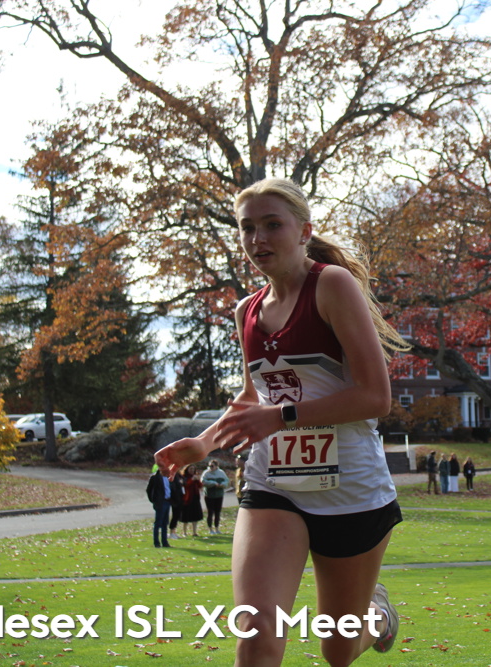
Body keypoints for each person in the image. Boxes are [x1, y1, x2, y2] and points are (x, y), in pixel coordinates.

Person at [154, 178, 409, 666]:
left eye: (273, 225)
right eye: (247, 228)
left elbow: (376, 397)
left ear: (304, 231)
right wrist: (205, 442)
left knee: (338, 650)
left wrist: (281, 416)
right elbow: (254, 398)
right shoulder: (246, 311)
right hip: (273, 484)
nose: (258, 239)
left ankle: (378, 615)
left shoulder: (332, 286)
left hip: (350, 488)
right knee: (256, 635)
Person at [145, 462, 173, 548]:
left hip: (167, 501)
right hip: (160, 502)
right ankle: (156, 542)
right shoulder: (155, 477)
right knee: (158, 523)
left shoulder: (169, 477)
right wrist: (154, 500)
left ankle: (165, 542)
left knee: (165, 523)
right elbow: (149, 490)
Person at [201, 459, 229, 534]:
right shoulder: (206, 473)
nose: (211, 467)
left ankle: (217, 528)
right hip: (209, 495)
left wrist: (222, 484)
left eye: (212, 466)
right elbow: (203, 481)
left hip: (219, 495)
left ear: (216, 466)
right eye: (210, 466)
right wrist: (213, 483)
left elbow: (226, 481)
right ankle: (210, 529)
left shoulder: (221, 473)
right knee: (210, 512)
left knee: (217, 512)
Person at [179, 464, 204, 537]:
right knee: (185, 516)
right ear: (187, 469)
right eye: (190, 469)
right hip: (186, 498)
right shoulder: (184, 477)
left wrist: (197, 480)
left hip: (195, 498)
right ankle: (184, 532)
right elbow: (185, 485)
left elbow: (200, 486)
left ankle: (194, 532)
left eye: (193, 469)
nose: (192, 470)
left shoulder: (195, 477)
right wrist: (192, 480)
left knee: (195, 516)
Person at [168, 471, 184, 540]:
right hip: (175, 499)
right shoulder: (172, 476)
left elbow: (184, 482)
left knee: (177, 515)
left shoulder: (179, 476)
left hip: (180, 498)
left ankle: (174, 532)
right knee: (175, 515)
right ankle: (171, 532)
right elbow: (172, 487)